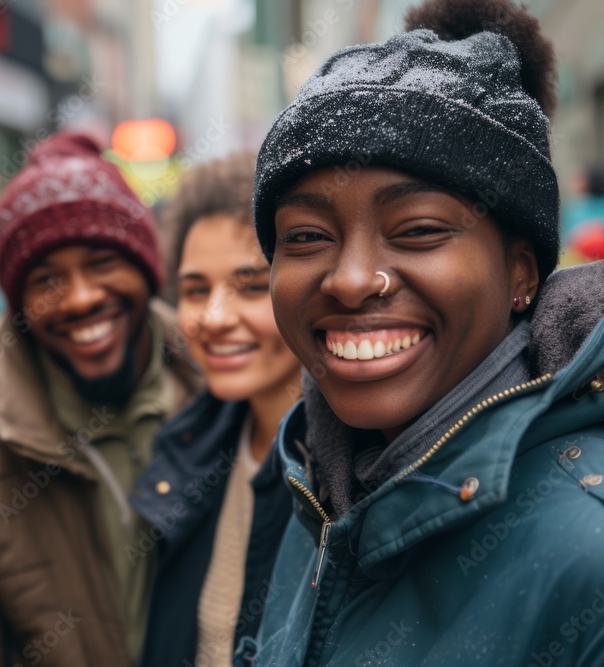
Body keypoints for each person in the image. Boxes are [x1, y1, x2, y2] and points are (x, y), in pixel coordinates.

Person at [238, 0, 604, 665]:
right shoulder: (317, 489)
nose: (350, 280)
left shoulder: (588, 558)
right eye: (307, 237)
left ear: (520, 269)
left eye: (418, 230)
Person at [0, 131, 203, 666]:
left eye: (103, 262)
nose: (80, 298)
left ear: (146, 269)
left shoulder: (226, 397)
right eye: (47, 278)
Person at [132, 153, 302, 667]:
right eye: (195, 290)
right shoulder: (186, 446)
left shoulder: (351, 469)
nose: (214, 317)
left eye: (251, 286)